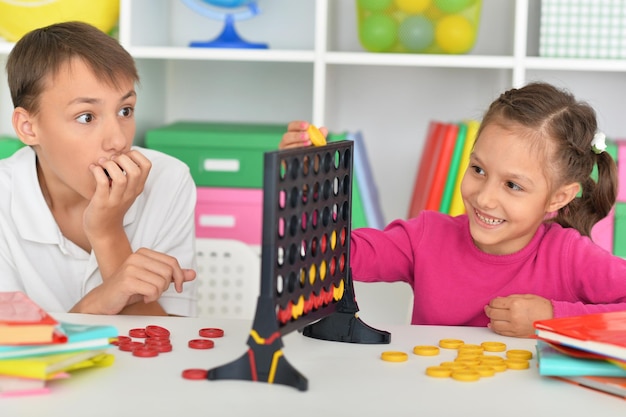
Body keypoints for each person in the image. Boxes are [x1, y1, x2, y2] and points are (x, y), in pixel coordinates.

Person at [280, 82, 626, 338]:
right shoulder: (427, 237)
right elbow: (333, 256)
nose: (485, 197)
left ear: (558, 198)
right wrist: (307, 186)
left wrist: (552, 318)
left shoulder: (568, 256)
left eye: (513, 185)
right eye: (478, 170)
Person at [0, 21, 197, 316]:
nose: (118, 140)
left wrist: (107, 233)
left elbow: (167, 343)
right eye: (86, 117)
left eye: (125, 111)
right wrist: (100, 301)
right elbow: (10, 354)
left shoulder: (168, 179)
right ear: (28, 127)